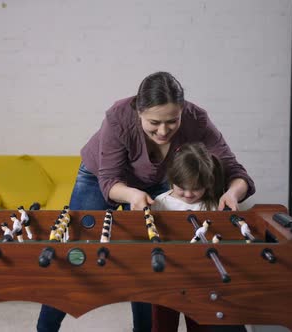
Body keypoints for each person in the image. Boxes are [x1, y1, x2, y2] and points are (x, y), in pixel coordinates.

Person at [36, 71, 255, 332]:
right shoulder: (118, 117)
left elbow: (236, 173)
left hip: (158, 180)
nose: (163, 131)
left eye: (172, 121)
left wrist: (231, 193)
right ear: (138, 112)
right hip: (101, 177)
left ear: (182, 111)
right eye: (154, 123)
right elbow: (109, 180)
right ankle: (44, 329)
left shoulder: (197, 120)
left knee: (149, 254)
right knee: (73, 252)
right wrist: (131, 195)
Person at [150, 142, 246, 332]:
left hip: (202, 276)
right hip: (167, 275)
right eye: (181, 187)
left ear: (207, 184)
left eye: (196, 188)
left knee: (201, 320)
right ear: (171, 179)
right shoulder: (160, 202)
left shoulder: (213, 205)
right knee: (162, 323)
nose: (188, 194)